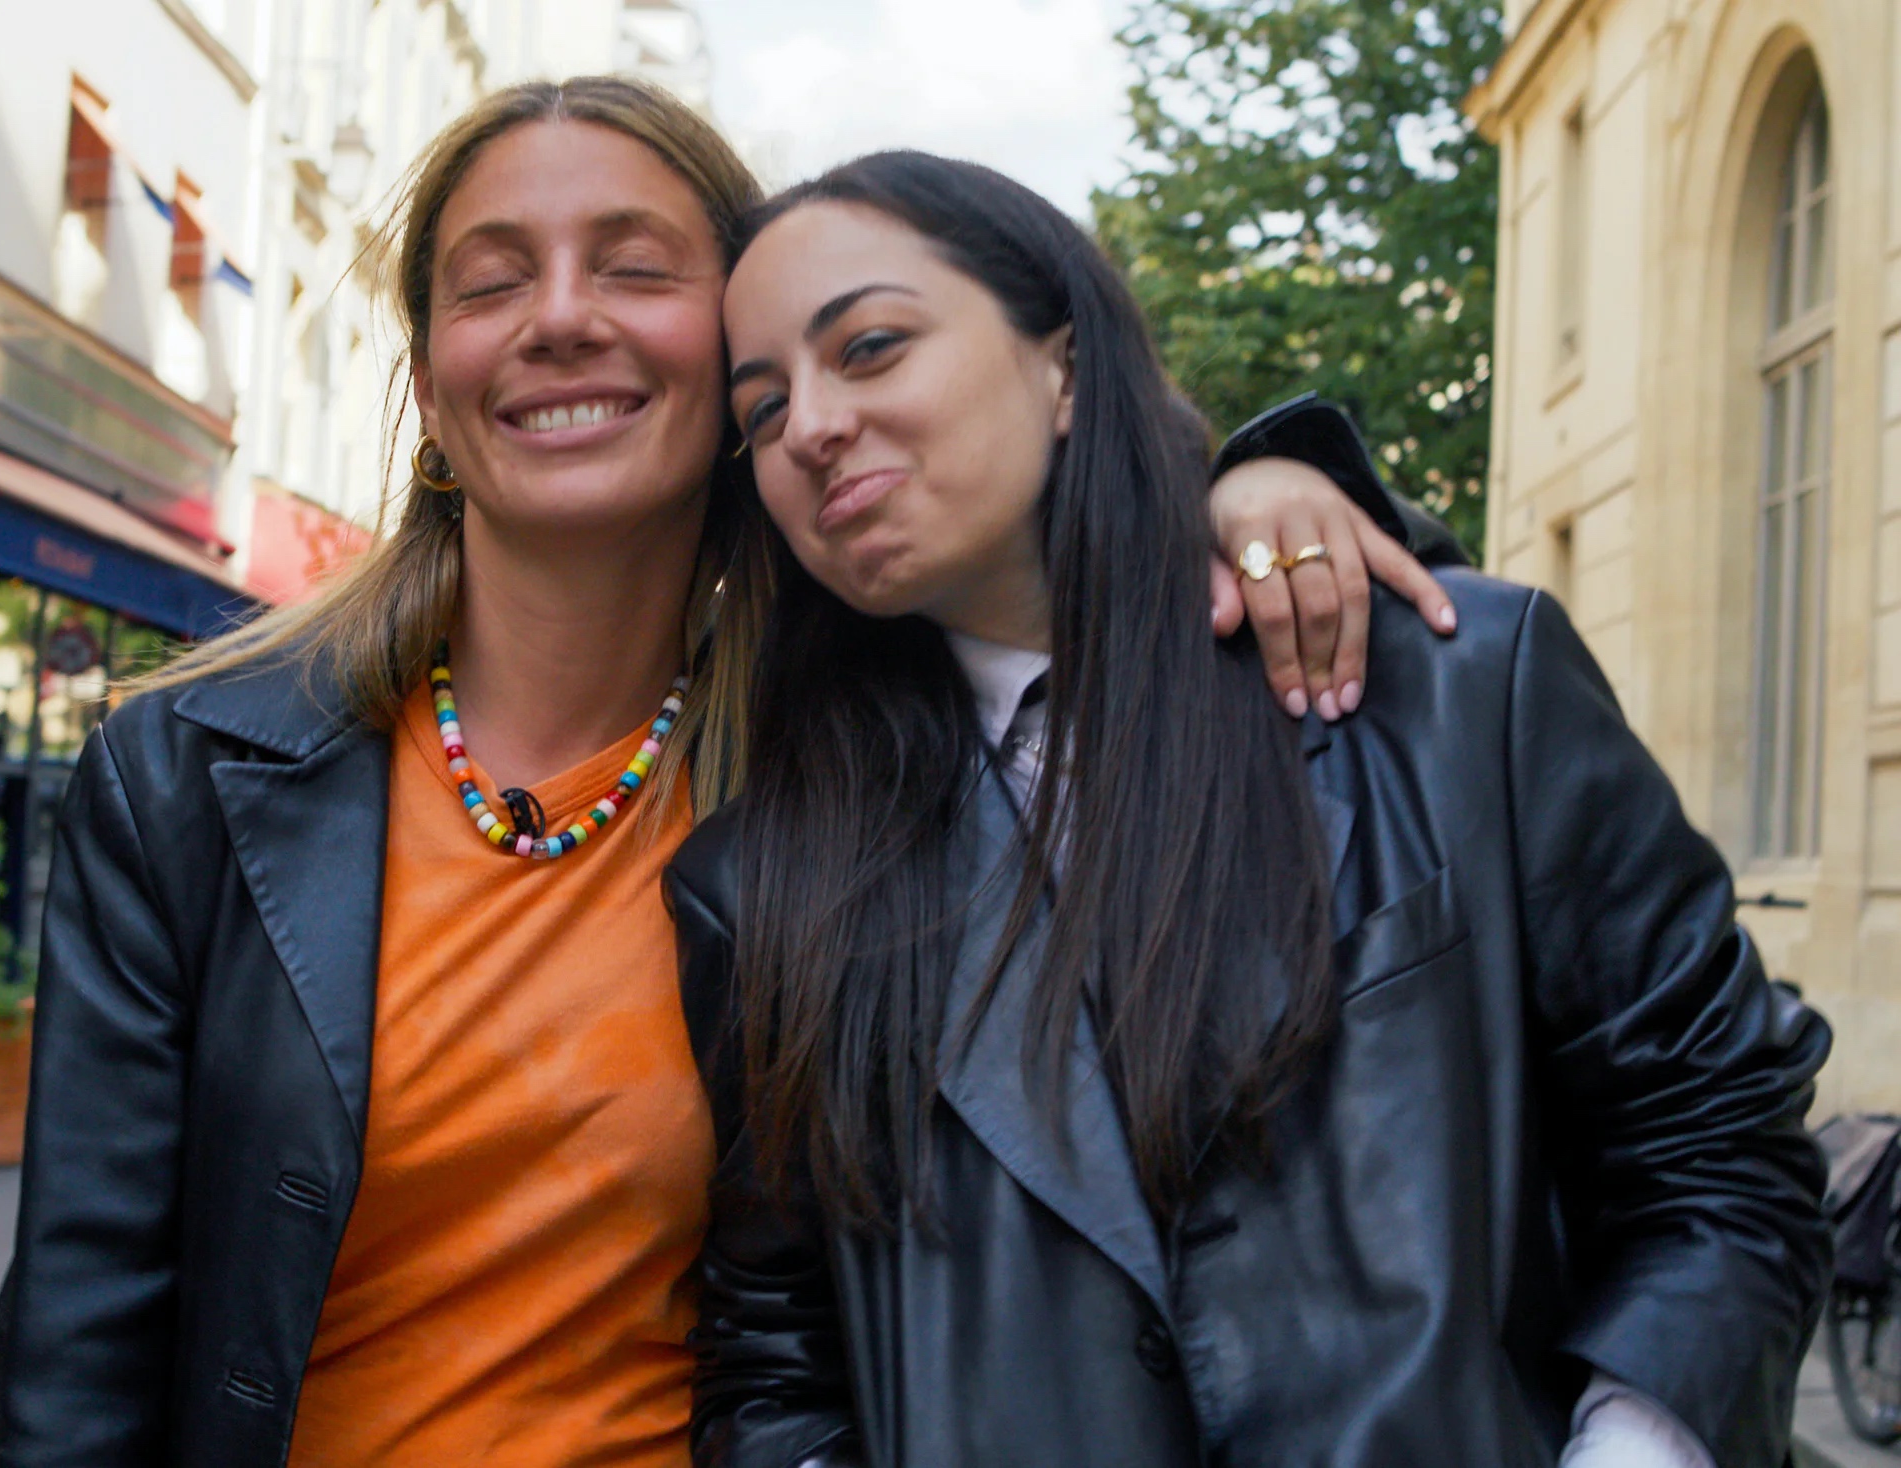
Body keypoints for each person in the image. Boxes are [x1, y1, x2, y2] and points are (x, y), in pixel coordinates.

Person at [0, 79, 1437, 1467]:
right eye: (491, 282)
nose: (560, 317)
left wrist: (1264, 482)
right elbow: (79, 1342)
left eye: (635, 267)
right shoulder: (192, 774)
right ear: (430, 392)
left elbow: (1159, 632)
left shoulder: (873, 771)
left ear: (740, 384)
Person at [671, 151, 1833, 1468]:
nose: (813, 426)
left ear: (1064, 366)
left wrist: (1632, 1449)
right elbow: (774, 1353)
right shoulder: (758, 889)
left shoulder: (1458, 694)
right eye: (764, 410)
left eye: (871, 347)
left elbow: (1718, 1146)